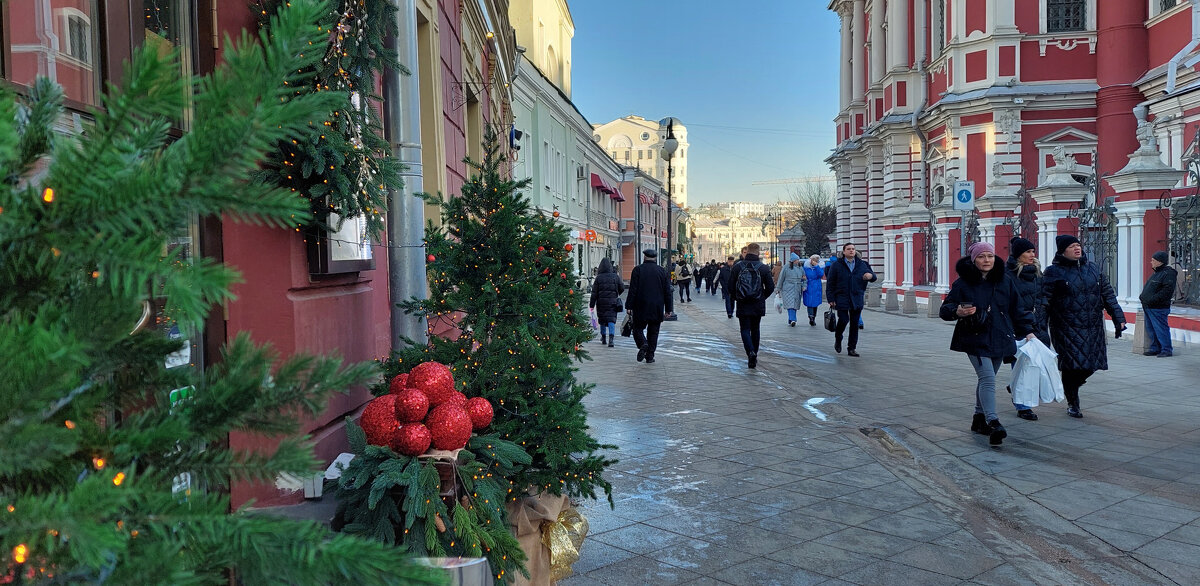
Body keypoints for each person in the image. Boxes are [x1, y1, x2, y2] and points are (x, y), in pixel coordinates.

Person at [942, 242, 1035, 446]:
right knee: (988, 379)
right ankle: (993, 422)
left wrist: (1028, 331)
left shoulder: (1005, 280)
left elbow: (1017, 309)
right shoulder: (963, 283)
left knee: (986, 379)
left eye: (990, 256)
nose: (987, 260)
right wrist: (956, 311)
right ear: (974, 259)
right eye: (982, 256)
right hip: (974, 336)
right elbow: (946, 308)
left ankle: (978, 419)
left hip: (1000, 336)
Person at [1042, 235, 1127, 418]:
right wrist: (1039, 327)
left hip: (1092, 325)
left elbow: (1108, 294)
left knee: (1091, 365)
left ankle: (1070, 387)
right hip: (1065, 326)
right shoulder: (1053, 272)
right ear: (1063, 250)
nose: (1077, 248)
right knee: (1072, 365)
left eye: (1078, 245)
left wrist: (1118, 317)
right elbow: (1044, 301)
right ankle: (1073, 402)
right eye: (1072, 246)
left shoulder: (1093, 268)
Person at [1006, 237, 1050, 420]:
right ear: (1018, 256)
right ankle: (1023, 406)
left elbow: (1043, 298)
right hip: (1016, 328)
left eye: (1033, 251)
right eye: (1028, 252)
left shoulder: (1038, 274)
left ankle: (1014, 385)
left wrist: (1041, 315)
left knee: (1036, 367)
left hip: (1037, 326)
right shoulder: (1007, 275)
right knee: (1022, 366)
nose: (1032, 255)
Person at [728, 242, 775, 368]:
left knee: (744, 329)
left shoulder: (738, 267)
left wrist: (737, 298)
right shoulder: (763, 268)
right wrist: (762, 297)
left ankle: (750, 353)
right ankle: (755, 353)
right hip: (757, 304)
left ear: (747, 252)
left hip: (743, 303)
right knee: (755, 329)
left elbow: (730, 286)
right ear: (758, 252)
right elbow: (770, 287)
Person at [825, 243, 877, 357]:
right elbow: (830, 283)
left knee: (855, 324)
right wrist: (831, 298)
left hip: (857, 297)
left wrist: (870, 276)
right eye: (849, 249)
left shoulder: (862, 264)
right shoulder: (837, 265)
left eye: (853, 249)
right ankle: (838, 338)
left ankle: (852, 348)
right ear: (844, 252)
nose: (851, 251)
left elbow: (873, 276)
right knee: (843, 320)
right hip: (842, 296)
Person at [626, 249, 673, 364]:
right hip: (657, 308)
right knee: (653, 332)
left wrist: (629, 306)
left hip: (640, 306)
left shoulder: (638, 270)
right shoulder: (662, 271)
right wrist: (668, 309)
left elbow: (633, 290)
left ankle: (643, 344)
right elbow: (668, 291)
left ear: (644, 257)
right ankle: (650, 356)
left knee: (637, 329)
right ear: (655, 258)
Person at [1139, 250, 1177, 358]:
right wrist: (1143, 297)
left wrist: (1151, 299)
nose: (1151, 262)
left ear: (1160, 262)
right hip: (1149, 306)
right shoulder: (1157, 272)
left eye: (1153, 260)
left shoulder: (1168, 273)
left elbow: (1166, 291)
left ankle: (1166, 349)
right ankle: (1155, 348)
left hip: (1158, 307)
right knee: (1151, 329)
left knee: (1161, 329)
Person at [588, 257, 624, 348]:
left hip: (601, 302)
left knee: (603, 320)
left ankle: (603, 338)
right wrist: (616, 293)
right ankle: (611, 339)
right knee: (611, 319)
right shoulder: (615, 277)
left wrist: (591, 305)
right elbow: (622, 288)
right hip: (612, 302)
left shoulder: (598, 278)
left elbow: (594, 293)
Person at [776, 252, 807, 327]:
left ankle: (791, 319)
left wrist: (804, 285)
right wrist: (778, 288)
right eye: (796, 260)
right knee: (790, 304)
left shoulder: (800, 268)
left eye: (798, 260)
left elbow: (804, 278)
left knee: (795, 305)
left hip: (797, 288)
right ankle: (793, 319)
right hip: (788, 287)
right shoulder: (786, 267)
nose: (798, 261)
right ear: (793, 260)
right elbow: (781, 278)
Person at [802, 254, 825, 326]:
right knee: (809, 302)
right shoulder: (806, 268)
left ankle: (813, 316)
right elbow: (803, 275)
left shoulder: (819, 267)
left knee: (815, 303)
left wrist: (816, 266)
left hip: (816, 286)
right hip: (808, 286)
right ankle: (810, 317)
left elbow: (821, 274)